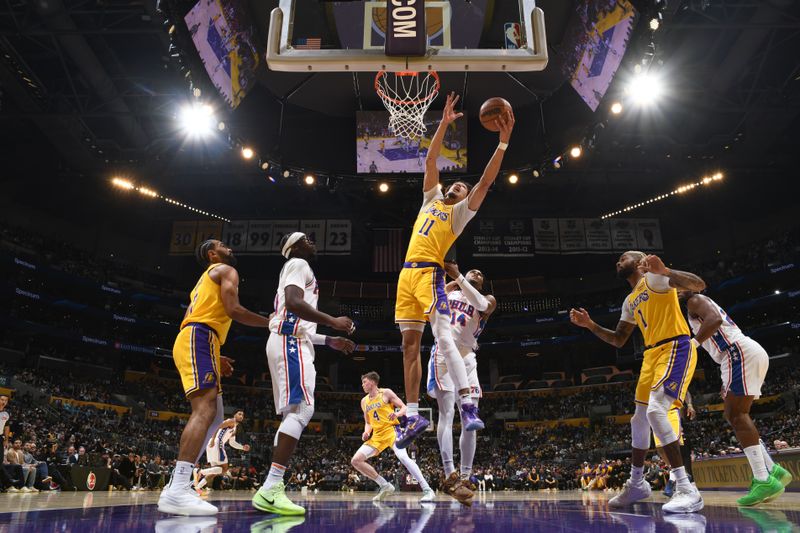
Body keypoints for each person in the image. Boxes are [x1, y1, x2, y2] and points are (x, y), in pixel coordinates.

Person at [394, 92, 514, 449]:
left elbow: (485, 183)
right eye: (456, 184)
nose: (460, 187)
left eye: (464, 188)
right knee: (408, 346)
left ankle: (466, 400)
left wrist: (503, 144)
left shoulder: (460, 213)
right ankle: (414, 414)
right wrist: (443, 124)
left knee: (444, 338)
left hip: (431, 273)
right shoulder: (431, 199)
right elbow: (431, 159)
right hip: (405, 275)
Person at [570, 252, 706, 513]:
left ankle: (687, 488)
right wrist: (590, 325)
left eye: (623, 258)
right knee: (639, 419)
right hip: (651, 355)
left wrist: (666, 270)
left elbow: (698, 284)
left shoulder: (656, 279)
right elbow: (619, 339)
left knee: (656, 411)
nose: (618, 262)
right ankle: (637, 483)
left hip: (675, 346)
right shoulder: (630, 300)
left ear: (639, 259)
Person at [158, 239, 271, 516]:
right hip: (200, 337)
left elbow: (192, 316)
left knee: (217, 418)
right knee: (205, 409)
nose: (229, 247)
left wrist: (214, 353)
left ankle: (177, 484)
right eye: (222, 245)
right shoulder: (225, 270)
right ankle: (178, 488)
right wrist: (272, 322)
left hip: (198, 338)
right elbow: (234, 310)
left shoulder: (201, 282)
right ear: (212, 254)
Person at [252, 232, 356, 516]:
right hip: (289, 342)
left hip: (293, 341)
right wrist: (333, 321)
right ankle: (271, 488)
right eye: (306, 238)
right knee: (302, 410)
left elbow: (297, 317)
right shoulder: (298, 263)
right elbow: (294, 303)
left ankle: (272, 488)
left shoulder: (298, 268)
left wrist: (327, 340)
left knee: (293, 414)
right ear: (294, 246)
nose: (312, 240)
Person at [683, 292, 792, 505]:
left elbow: (714, 320)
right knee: (733, 415)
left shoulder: (694, 299)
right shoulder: (695, 303)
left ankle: (763, 479)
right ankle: (772, 470)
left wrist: (692, 344)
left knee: (737, 414)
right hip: (737, 355)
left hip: (736, 353)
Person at [427, 262, 496, 504]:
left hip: (467, 356)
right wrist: (454, 281)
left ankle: (466, 476)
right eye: (473, 270)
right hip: (443, 353)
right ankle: (450, 474)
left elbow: (483, 305)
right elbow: (431, 308)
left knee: (471, 418)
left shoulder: (487, 298)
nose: (477, 271)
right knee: (446, 414)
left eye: (481, 272)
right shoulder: (450, 292)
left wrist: (458, 275)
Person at [350, 371, 435, 504]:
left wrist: (397, 415)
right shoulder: (364, 401)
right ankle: (385, 485)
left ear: (372, 382)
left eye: (364, 382)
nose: (362, 385)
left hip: (391, 431)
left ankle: (427, 489)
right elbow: (368, 422)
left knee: (403, 457)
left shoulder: (386, 393)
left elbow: (403, 407)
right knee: (356, 460)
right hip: (377, 435)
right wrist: (366, 432)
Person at [195, 410, 250, 491]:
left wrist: (242, 447)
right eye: (239, 414)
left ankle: (197, 487)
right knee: (224, 469)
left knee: (214, 472)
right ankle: (200, 471)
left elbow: (232, 443)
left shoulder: (235, 428)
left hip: (215, 444)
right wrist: (213, 439)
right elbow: (216, 427)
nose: (241, 416)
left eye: (243, 415)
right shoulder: (231, 421)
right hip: (217, 443)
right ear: (234, 415)